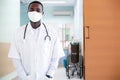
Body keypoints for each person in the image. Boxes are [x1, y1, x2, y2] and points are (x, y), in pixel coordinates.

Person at [8, 1, 64, 80]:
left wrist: (49, 75)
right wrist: (24, 77)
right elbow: (16, 58)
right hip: (25, 77)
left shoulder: (52, 32)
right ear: (28, 12)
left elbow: (55, 57)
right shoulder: (18, 33)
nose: (34, 12)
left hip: (45, 77)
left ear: (42, 13)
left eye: (38, 10)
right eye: (32, 10)